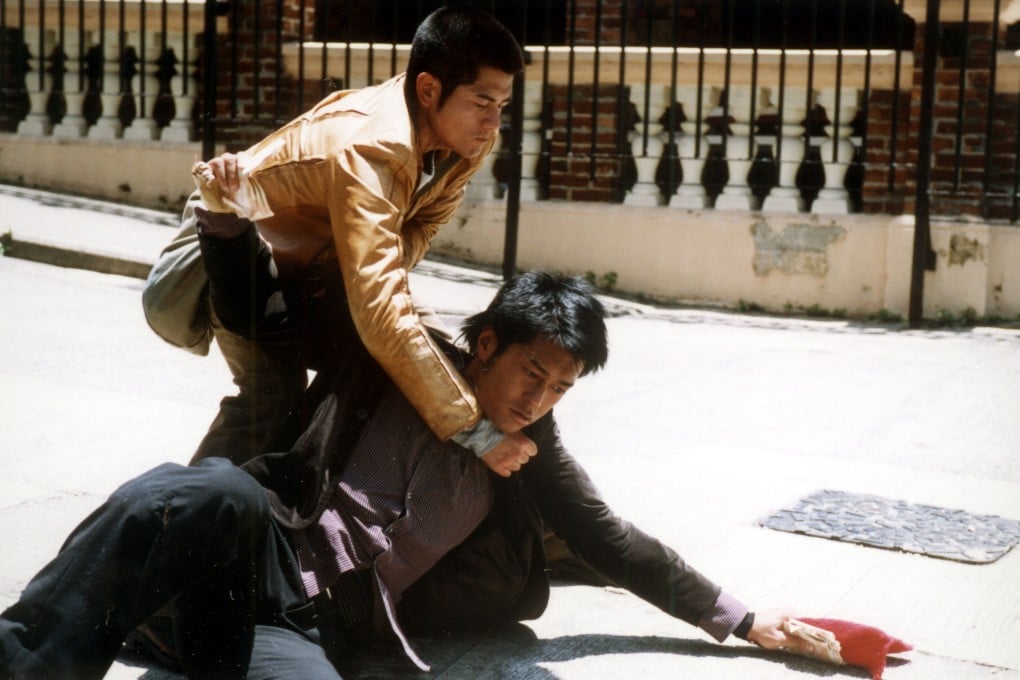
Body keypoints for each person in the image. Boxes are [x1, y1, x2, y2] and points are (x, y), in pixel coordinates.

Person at [0, 272, 809, 680]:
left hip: (307, 629)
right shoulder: (395, 359)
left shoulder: (534, 452)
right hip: (260, 550)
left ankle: (171, 635)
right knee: (188, 491)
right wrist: (224, 220)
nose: (540, 399)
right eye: (533, 373)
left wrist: (739, 619)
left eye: (561, 386)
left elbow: (611, 538)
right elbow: (273, 312)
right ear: (486, 343)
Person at [174, 6, 532, 474]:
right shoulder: (372, 148)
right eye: (482, 103)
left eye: (501, 106)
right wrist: (478, 433)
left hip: (318, 270)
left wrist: (369, 269)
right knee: (271, 398)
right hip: (238, 252)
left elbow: (422, 228)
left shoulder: (463, 140)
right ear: (429, 89)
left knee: (422, 352)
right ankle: (169, 522)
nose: (493, 124)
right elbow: (382, 313)